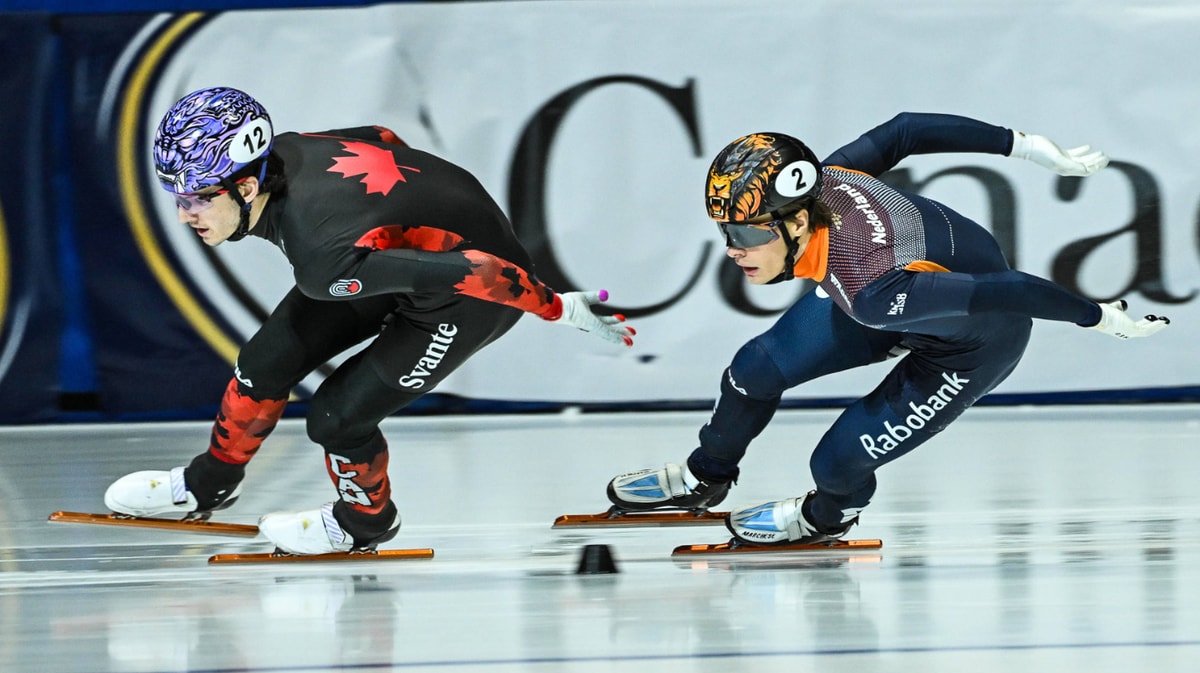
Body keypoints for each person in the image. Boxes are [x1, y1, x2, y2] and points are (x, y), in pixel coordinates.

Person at [105, 86, 635, 555]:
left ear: (246, 189)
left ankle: (365, 523)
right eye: (176, 196)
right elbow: (378, 136)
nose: (183, 215)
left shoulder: (323, 256)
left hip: (472, 296)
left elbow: (482, 269)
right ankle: (208, 484)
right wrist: (405, 219)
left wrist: (559, 308)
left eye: (197, 198)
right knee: (264, 362)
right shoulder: (288, 151)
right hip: (397, 257)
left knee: (336, 416)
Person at [607, 112, 1170, 546]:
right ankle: (708, 475)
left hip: (973, 344)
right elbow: (906, 130)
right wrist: (1024, 146)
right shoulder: (829, 178)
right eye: (726, 235)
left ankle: (826, 518)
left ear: (799, 221)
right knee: (753, 369)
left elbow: (1011, 290)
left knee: (835, 464)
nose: (735, 252)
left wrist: (1099, 317)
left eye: (750, 237)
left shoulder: (871, 292)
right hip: (913, 288)